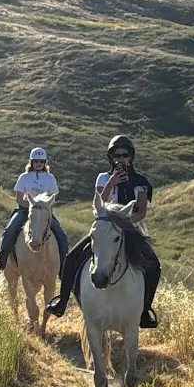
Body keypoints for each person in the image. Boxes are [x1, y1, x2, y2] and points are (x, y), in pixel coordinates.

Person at [46, 134, 160, 328]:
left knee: (153, 265)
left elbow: (141, 211)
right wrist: (112, 182)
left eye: (125, 155)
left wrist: (124, 222)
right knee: (73, 257)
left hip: (130, 227)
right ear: (111, 157)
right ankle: (62, 301)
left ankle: (144, 310)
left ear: (131, 157)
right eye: (117, 155)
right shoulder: (104, 178)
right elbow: (99, 201)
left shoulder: (140, 182)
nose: (121, 159)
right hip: (104, 226)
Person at [0, 147, 69, 275]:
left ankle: (63, 267)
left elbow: (53, 198)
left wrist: (41, 210)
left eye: (41, 161)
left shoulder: (50, 178)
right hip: (24, 210)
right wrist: (32, 208)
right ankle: (2, 261)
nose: (38, 163)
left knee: (62, 236)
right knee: (10, 230)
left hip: (44, 212)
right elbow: (19, 198)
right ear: (31, 162)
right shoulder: (24, 177)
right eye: (36, 161)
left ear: (45, 163)